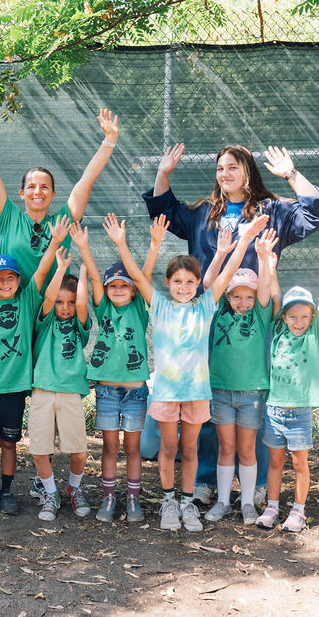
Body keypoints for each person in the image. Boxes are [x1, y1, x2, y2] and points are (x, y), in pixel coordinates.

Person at [142, 143, 319, 506]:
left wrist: (291, 174)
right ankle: (203, 480)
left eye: (232, 167)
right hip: (207, 320)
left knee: (252, 398)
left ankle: (256, 482)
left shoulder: (271, 211)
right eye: (220, 168)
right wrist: (163, 172)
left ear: (248, 171)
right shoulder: (204, 213)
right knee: (206, 396)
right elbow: (163, 210)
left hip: (255, 321)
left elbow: (318, 210)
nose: (224, 174)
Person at [104, 212, 268, 532]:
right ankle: (168, 501)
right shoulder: (159, 306)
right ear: (168, 284)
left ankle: (187, 502)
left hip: (196, 393)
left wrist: (245, 240)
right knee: (168, 448)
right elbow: (137, 276)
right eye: (177, 281)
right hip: (167, 392)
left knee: (190, 449)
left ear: (197, 283)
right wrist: (124, 244)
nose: (184, 286)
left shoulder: (206, 306)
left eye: (190, 281)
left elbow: (228, 272)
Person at [0, 101, 119, 285]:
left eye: (44, 187)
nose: (38, 192)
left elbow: (87, 180)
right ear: (22, 193)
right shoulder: (8, 218)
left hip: (55, 303)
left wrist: (109, 140)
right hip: (14, 302)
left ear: (53, 194)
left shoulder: (64, 221)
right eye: (31, 186)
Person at [69, 217, 167, 524]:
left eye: (125, 285)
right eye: (114, 285)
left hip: (136, 392)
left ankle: (133, 499)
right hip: (107, 391)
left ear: (134, 291)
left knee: (133, 448)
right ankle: (109, 497)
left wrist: (155, 244)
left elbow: (143, 276)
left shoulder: (139, 307)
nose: (119, 289)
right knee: (110, 447)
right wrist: (84, 247)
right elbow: (95, 279)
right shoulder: (104, 308)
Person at [0, 218, 63, 518]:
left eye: (10, 278)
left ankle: (6, 491)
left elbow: (42, 270)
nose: (5, 283)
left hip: (14, 388)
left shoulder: (28, 300)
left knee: (9, 443)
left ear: (19, 281)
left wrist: (55, 243)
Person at [256, 250, 319, 533]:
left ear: (310, 317)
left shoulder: (314, 336)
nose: (298, 322)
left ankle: (298, 511)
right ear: (284, 318)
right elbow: (277, 297)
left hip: (300, 414)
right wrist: (271, 269)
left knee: (299, 463)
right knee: (275, 462)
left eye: (304, 316)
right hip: (274, 411)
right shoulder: (278, 333)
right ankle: (272, 507)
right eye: (293, 317)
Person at [201, 228, 279, 526]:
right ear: (228, 296)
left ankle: (247, 503)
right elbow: (209, 283)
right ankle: (222, 501)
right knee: (226, 448)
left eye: (249, 296)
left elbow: (265, 290)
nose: (243, 302)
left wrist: (263, 258)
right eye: (237, 296)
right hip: (221, 391)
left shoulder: (260, 315)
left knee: (246, 449)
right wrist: (221, 253)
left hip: (251, 394)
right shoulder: (218, 312)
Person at [26, 247, 92, 521]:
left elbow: (83, 304)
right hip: (42, 392)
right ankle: (51, 493)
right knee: (40, 450)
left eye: (70, 302)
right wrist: (61, 268)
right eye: (60, 302)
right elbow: (48, 297)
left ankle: (73, 489)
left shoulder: (80, 326)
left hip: (70, 394)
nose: (65, 307)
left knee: (79, 452)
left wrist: (84, 269)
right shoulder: (43, 323)